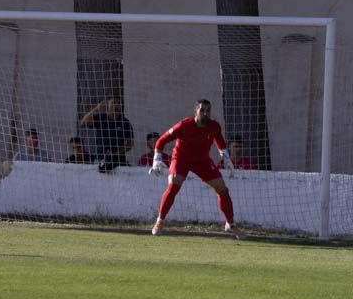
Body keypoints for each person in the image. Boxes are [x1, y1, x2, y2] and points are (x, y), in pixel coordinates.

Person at [149, 99, 238, 236]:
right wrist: (156, 159)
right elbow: (161, 140)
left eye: (208, 110)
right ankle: (160, 221)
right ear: (195, 111)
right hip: (181, 159)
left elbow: (219, 141)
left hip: (202, 161)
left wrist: (226, 159)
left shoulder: (214, 126)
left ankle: (230, 224)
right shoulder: (184, 125)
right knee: (173, 185)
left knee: (222, 189)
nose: (205, 113)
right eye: (202, 110)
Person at [79, 97, 134, 173]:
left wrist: (116, 153)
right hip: (100, 158)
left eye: (119, 103)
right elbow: (83, 123)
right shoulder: (101, 118)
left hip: (119, 161)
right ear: (108, 105)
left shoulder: (125, 122)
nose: (117, 105)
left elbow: (130, 144)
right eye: (114, 102)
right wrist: (96, 109)